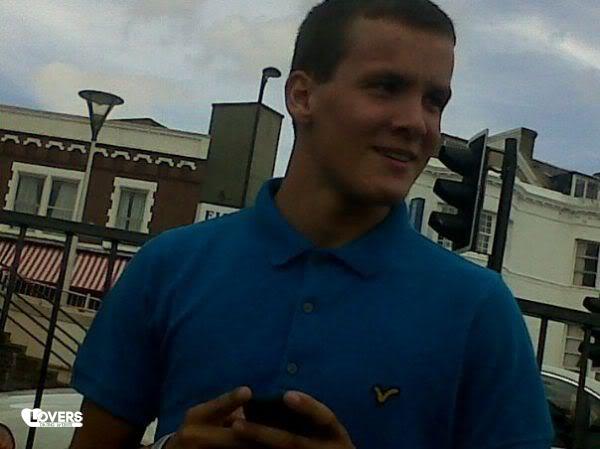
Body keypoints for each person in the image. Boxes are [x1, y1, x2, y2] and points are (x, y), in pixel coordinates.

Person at [69, 1, 555, 448]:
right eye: (386, 87)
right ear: (302, 96)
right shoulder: (168, 267)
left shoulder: (479, 310)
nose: (417, 122)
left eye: (434, 101)